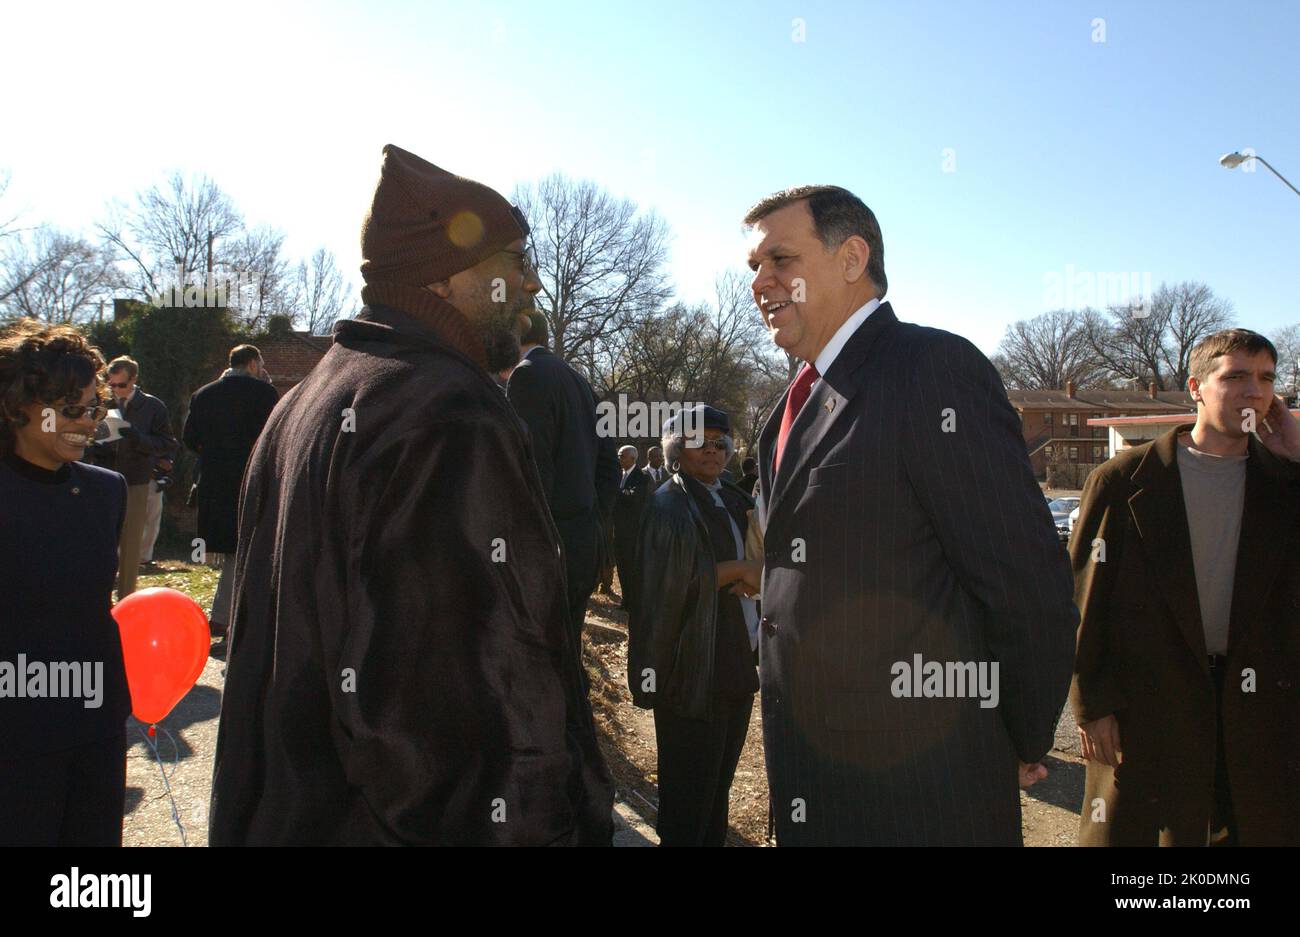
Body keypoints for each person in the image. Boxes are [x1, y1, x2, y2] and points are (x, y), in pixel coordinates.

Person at [209, 144, 612, 845]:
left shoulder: (307, 399)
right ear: (448, 276)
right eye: (517, 262)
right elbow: (464, 722)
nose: (534, 285)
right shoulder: (446, 412)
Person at [745, 185, 1077, 845]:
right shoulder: (787, 409)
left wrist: (1019, 733)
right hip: (818, 782)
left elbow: (1026, 581)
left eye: (779, 258)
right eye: (752, 267)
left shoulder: (933, 372)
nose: (760, 282)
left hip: (920, 794)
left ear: (851, 258)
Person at [1071, 329, 1300, 846]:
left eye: (1266, 378)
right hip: (1149, 704)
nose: (1254, 391)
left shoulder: (1285, 485)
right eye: (1235, 376)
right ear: (1195, 387)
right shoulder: (1124, 479)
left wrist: (1297, 454)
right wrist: (1092, 705)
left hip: (1258, 708)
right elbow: (1085, 601)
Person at [0, 320, 132, 845]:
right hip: (14, 732)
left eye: (93, 409)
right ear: (16, 406)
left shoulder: (107, 491)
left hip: (94, 725)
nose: (86, 423)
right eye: (70, 410)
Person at [629, 405, 760, 845]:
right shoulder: (667, 504)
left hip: (735, 667)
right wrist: (737, 568)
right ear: (674, 449)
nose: (711, 449)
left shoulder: (734, 498)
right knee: (688, 799)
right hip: (692, 673)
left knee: (715, 793)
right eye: (697, 441)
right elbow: (664, 589)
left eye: (719, 441)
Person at [507, 310, 619, 660]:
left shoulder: (527, 376)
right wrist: (593, 520)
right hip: (581, 543)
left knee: (540, 664)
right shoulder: (579, 381)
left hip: (548, 549)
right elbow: (609, 465)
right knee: (566, 659)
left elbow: (532, 469)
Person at [182, 344, 280, 648]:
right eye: (261, 362)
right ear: (251, 363)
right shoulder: (265, 396)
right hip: (252, 483)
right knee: (247, 553)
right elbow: (276, 438)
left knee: (232, 555)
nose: (263, 368)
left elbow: (189, 439)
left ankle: (224, 618)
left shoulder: (204, 395)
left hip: (214, 487)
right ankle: (232, 622)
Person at [92, 355, 176, 598]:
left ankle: (127, 597)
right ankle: (100, 596)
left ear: (134, 380)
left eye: (122, 385)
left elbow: (168, 444)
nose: (117, 390)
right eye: (113, 385)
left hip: (136, 480)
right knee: (103, 539)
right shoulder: (102, 403)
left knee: (130, 545)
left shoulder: (153, 406)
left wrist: (137, 437)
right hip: (104, 477)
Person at [612, 444, 648, 610]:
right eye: (619, 455)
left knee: (631, 566)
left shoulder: (641, 477)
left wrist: (617, 492)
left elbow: (633, 499)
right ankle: (626, 600)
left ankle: (634, 600)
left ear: (633, 458)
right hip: (618, 530)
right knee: (621, 565)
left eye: (622, 456)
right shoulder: (620, 475)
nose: (619, 459)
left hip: (632, 531)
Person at [138, 454, 173, 564]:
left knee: (152, 520)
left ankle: (144, 556)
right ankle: (126, 554)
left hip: (153, 482)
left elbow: (168, 464)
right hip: (133, 478)